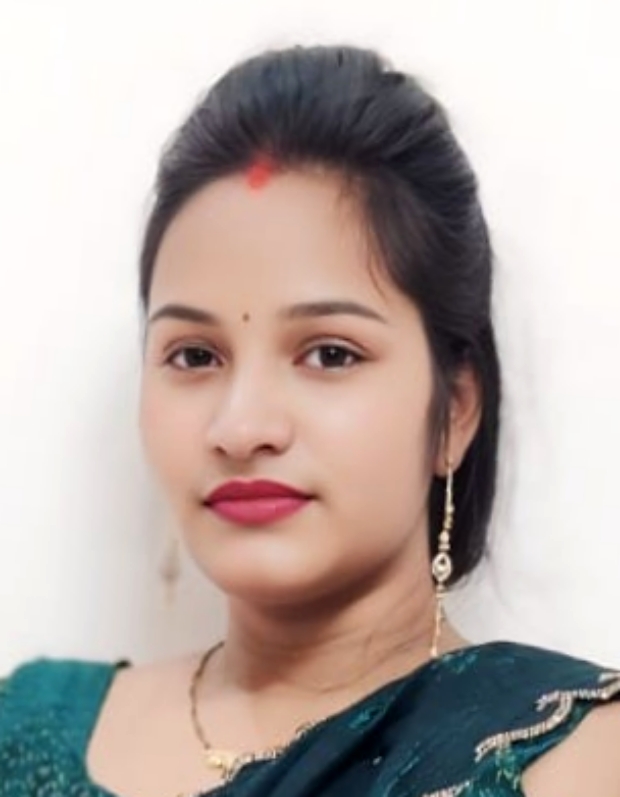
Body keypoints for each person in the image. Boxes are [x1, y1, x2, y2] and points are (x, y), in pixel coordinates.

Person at [1, 43, 619, 797]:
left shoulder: (574, 758)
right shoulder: (23, 727)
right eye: (194, 355)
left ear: (454, 411)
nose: (240, 427)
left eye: (329, 353)